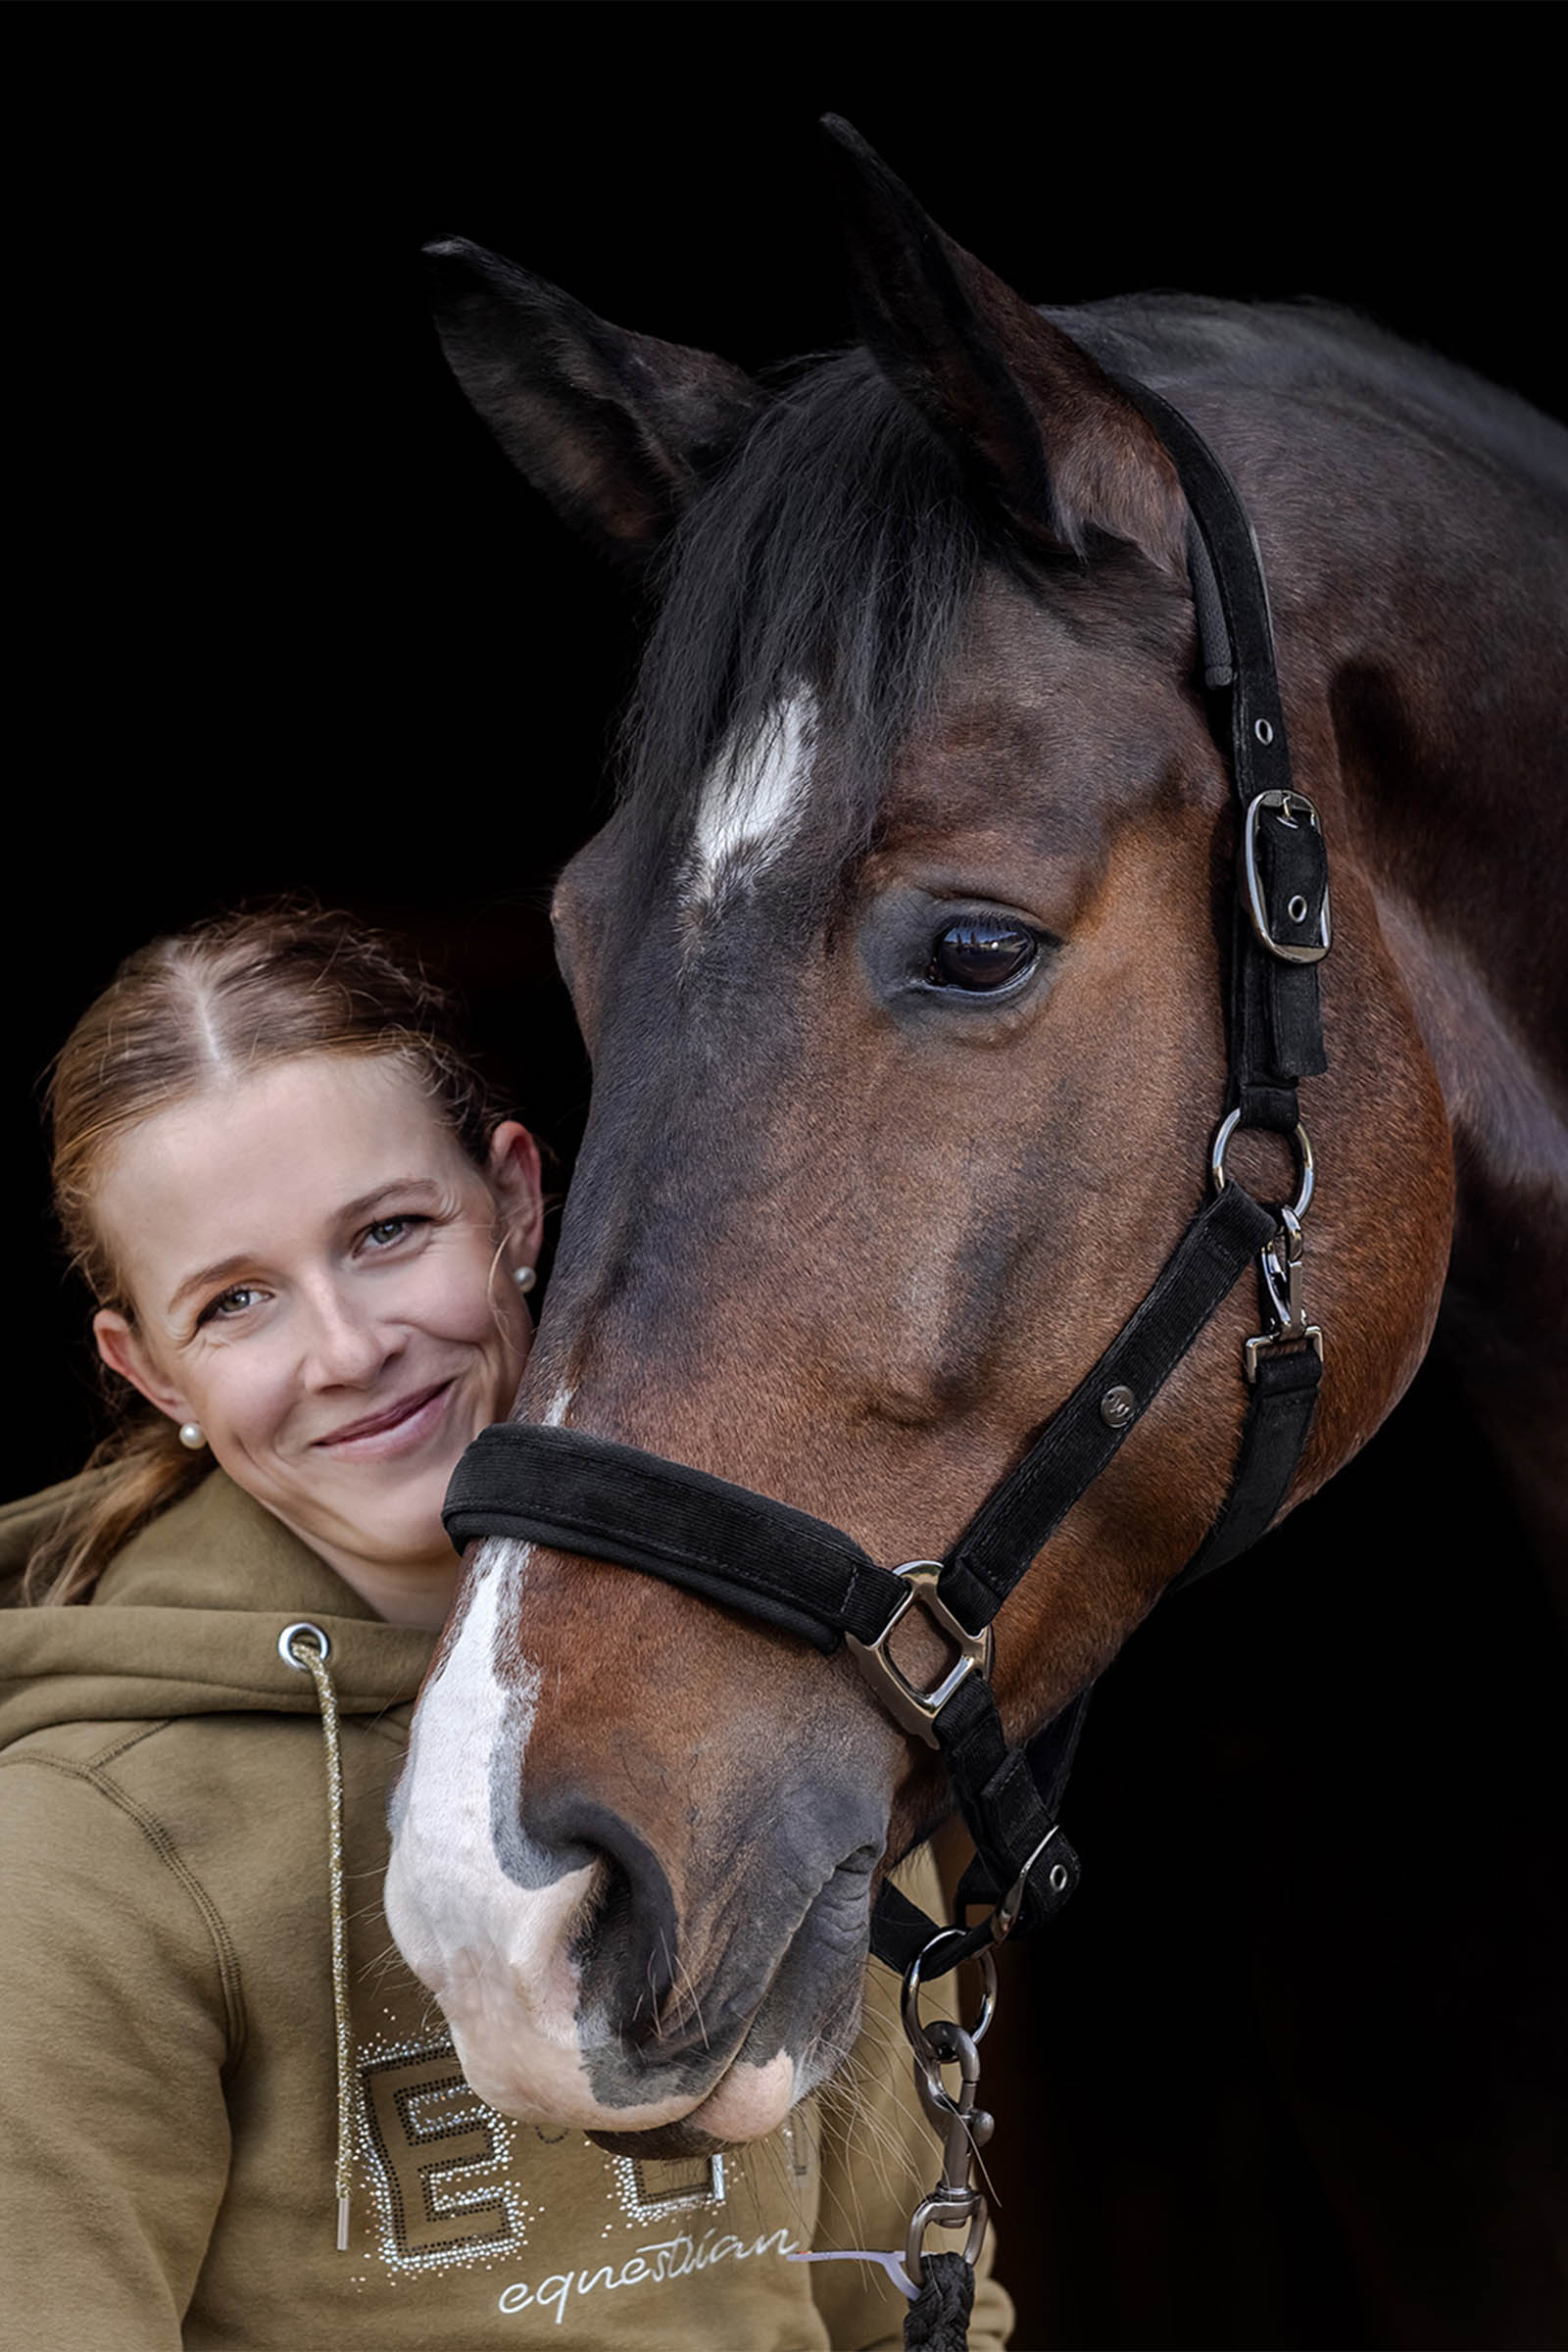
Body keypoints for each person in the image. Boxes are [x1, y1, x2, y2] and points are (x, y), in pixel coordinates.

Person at [0, 905, 1012, 2352]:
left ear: (520, 1205)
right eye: (235, 1304)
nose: (348, 1354)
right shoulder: (74, 1849)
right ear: (147, 1367)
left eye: (389, 1233)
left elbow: (908, 2300)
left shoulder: (774, 1679)